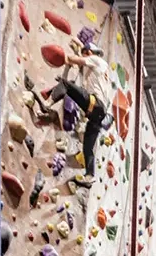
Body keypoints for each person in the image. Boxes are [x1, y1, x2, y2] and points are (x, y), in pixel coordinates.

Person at [47, 41, 114, 189]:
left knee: (65, 85)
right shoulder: (99, 73)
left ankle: (47, 105)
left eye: (85, 53)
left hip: (95, 104)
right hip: (98, 114)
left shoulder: (95, 59)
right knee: (88, 148)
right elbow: (80, 72)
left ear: (89, 52)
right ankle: (90, 176)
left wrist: (68, 58)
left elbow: (75, 60)